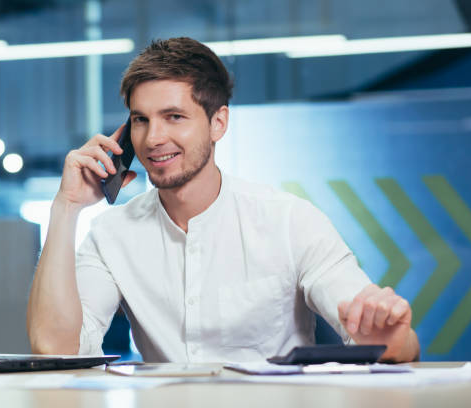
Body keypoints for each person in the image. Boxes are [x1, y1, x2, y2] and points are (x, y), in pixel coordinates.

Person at [27, 37, 420, 363]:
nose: (152, 138)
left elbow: (388, 343)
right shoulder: (110, 234)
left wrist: (390, 339)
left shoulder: (289, 220)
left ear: (218, 123)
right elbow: (57, 349)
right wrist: (66, 209)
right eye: (140, 119)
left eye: (174, 117)